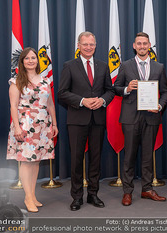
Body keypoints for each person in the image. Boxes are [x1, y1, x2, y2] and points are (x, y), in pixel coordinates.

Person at [58, 31, 114, 211]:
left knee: (96, 159)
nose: (88, 47)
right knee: (76, 159)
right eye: (85, 44)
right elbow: (62, 93)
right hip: (76, 119)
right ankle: (76, 197)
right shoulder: (69, 66)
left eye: (91, 44)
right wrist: (82, 101)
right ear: (79, 45)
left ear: (95, 45)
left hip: (98, 119)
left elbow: (110, 90)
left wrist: (102, 100)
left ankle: (93, 194)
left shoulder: (103, 66)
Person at [114, 32, 167, 206]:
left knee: (147, 156)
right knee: (129, 156)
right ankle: (127, 191)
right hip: (130, 117)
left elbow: (166, 92)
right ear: (134, 46)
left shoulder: (159, 67)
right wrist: (127, 88)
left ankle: (147, 189)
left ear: (149, 45)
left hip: (151, 117)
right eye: (139, 43)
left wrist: (159, 106)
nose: (142, 46)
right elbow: (115, 88)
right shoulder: (125, 66)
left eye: (145, 43)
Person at [6, 47, 58, 213]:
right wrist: (17, 127)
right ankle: (27, 197)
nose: (30, 61)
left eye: (33, 58)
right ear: (22, 62)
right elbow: (13, 106)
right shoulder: (16, 82)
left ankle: (33, 195)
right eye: (27, 58)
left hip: (43, 126)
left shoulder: (45, 81)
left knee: (36, 161)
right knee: (26, 162)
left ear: (37, 61)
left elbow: (50, 104)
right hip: (25, 125)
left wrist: (54, 124)